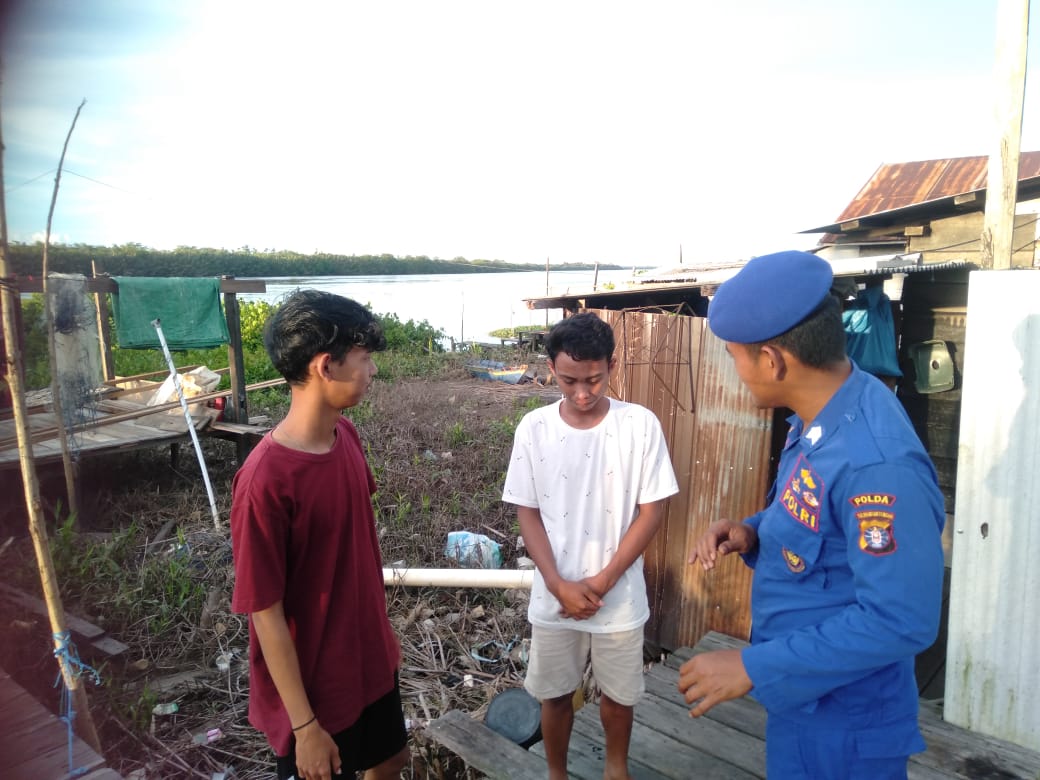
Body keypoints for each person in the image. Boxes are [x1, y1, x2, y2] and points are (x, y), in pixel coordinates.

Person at [677, 250, 945, 779]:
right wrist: (753, 532)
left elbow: (901, 619)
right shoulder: (830, 407)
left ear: (773, 360)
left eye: (734, 356)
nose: (734, 370)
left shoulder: (877, 464)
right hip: (806, 699)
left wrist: (753, 667)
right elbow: (816, 518)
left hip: (846, 726)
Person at [230, 290, 407, 780]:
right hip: (315, 688)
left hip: (369, 657)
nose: (372, 370)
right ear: (327, 366)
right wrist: (304, 725)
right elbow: (263, 612)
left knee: (390, 760)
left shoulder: (345, 437)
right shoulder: (265, 480)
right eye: (365, 358)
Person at [502, 312, 679, 780]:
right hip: (554, 598)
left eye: (594, 379)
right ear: (550, 370)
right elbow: (528, 512)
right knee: (555, 694)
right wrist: (559, 585)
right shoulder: (534, 428)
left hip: (617, 597)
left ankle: (615, 769)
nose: (582, 393)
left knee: (620, 697)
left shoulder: (639, 425)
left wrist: (601, 581)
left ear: (612, 366)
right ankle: (556, 772)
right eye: (568, 380)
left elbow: (652, 512)